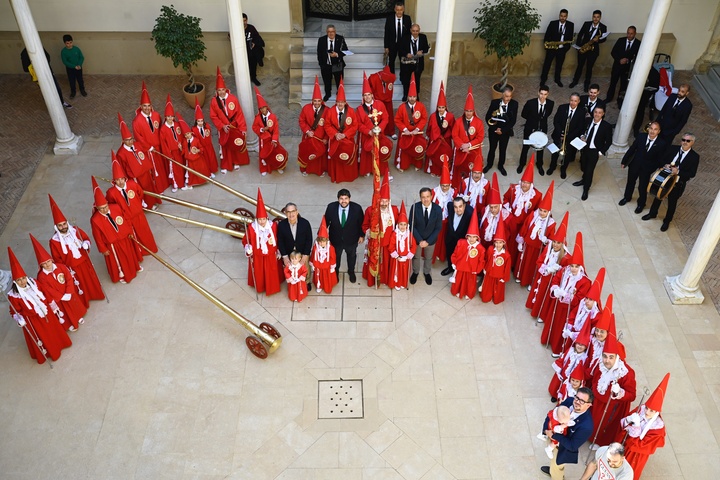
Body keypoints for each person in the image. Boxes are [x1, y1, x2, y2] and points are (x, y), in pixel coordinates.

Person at [7, 247, 72, 364]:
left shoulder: (34, 283)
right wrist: (19, 318)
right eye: (19, 280)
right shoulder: (13, 296)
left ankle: (61, 344)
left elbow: (45, 292)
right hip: (34, 320)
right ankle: (51, 352)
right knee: (44, 336)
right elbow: (14, 311)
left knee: (54, 330)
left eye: (23, 278)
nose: (22, 282)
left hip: (47, 312)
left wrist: (51, 303)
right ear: (15, 282)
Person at [540, 232, 591, 356]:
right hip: (557, 302)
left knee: (560, 327)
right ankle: (548, 339)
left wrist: (567, 296)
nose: (573, 269)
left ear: (580, 267)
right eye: (572, 266)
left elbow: (580, 298)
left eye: (576, 267)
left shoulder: (584, 281)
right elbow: (556, 278)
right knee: (553, 322)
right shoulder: (565, 271)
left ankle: (557, 348)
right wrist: (556, 288)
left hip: (568, 308)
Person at [48, 194, 105, 305]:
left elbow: (86, 238)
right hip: (72, 267)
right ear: (56, 227)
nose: (63, 227)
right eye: (60, 226)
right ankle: (85, 301)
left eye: (64, 224)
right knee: (80, 284)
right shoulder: (54, 241)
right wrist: (65, 270)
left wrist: (86, 244)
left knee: (90, 280)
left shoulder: (75, 230)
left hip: (84, 261)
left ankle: (96, 294)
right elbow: (56, 258)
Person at [89, 177, 142, 284]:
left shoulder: (116, 208)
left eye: (105, 206)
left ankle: (134, 267)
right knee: (120, 260)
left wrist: (129, 232)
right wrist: (103, 249)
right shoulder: (95, 220)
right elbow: (97, 236)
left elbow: (125, 219)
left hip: (124, 237)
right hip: (112, 244)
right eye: (101, 208)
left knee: (129, 254)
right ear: (97, 208)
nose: (105, 209)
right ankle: (123, 274)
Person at [642, 133, 700, 231]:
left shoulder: (694, 157)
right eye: (683, 140)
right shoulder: (673, 148)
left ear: (692, 142)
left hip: (677, 183)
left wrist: (679, 172)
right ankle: (652, 213)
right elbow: (661, 159)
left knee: (672, 203)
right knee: (658, 196)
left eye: (688, 141)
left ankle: (667, 221)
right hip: (664, 179)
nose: (685, 142)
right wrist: (665, 165)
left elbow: (692, 173)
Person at [587, 336, 637, 449]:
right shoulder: (600, 364)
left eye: (611, 357)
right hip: (596, 400)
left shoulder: (626, 373)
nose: (607, 360)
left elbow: (632, 395)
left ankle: (599, 441)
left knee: (603, 424)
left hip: (610, 406)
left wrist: (620, 392)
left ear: (617, 357)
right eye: (604, 356)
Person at [31, 234, 86, 332]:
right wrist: (61, 296)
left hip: (68, 292)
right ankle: (68, 323)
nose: (47, 265)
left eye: (48, 262)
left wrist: (69, 291)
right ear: (41, 265)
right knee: (64, 310)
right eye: (44, 264)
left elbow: (68, 278)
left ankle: (78, 317)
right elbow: (47, 289)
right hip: (58, 298)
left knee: (73, 305)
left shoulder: (60, 267)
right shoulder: (41, 276)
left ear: (51, 260)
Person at [105, 153, 159, 255]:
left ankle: (150, 248)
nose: (120, 182)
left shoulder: (132, 184)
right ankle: (139, 252)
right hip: (127, 218)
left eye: (121, 179)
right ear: (114, 181)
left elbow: (140, 193)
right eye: (117, 180)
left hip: (138, 213)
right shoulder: (111, 193)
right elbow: (112, 206)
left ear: (125, 178)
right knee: (134, 235)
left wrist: (137, 205)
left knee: (144, 231)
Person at [619, 373, 669, 479]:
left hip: (636, 454)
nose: (647, 412)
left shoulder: (658, 429)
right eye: (647, 408)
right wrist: (628, 420)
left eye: (651, 410)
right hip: (624, 444)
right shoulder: (641, 410)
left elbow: (642, 446)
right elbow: (625, 423)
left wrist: (636, 427)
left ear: (657, 411)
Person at [539, 387, 595, 479]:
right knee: (553, 462)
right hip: (551, 435)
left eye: (582, 401)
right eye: (577, 398)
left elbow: (572, 445)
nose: (576, 401)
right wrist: (545, 430)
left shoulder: (587, 426)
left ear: (588, 405)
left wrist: (553, 435)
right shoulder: (569, 401)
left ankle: (556, 475)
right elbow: (552, 414)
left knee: (557, 467)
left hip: (562, 448)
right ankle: (553, 470)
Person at [526, 211, 569, 318]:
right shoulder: (548, 248)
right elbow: (539, 261)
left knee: (545, 299)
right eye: (554, 241)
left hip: (552, 281)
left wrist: (557, 270)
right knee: (538, 294)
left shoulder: (565, 257)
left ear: (562, 244)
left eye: (558, 243)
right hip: (543, 275)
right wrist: (546, 269)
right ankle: (534, 308)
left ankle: (541, 314)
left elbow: (565, 273)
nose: (555, 244)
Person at [618, 121, 667, 214]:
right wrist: (624, 161)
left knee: (642, 187)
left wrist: (652, 168)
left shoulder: (661, 143)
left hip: (646, 169)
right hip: (635, 165)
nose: (652, 131)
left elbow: (660, 159)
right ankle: (627, 197)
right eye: (651, 128)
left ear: (659, 131)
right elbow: (632, 149)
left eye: (655, 129)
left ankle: (641, 203)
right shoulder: (641, 137)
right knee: (630, 182)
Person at [209, 67, 250, 173]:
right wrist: (222, 126)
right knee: (225, 145)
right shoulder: (214, 102)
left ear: (225, 89)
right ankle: (226, 164)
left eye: (222, 90)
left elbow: (239, 114)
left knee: (234, 143)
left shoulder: (233, 99)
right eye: (219, 90)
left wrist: (242, 128)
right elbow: (213, 116)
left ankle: (236, 161)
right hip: (223, 127)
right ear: (216, 91)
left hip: (234, 126)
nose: (221, 92)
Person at [514, 181, 555, 286]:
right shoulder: (533, 215)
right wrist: (520, 240)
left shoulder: (551, 224)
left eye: (545, 211)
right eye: (541, 210)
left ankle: (529, 282)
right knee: (523, 262)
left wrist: (545, 240)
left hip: (538, 249)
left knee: (532, 265)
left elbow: (552, 239)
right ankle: (519, 276)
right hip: (527, 245)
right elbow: (525, 227)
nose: (541, 213)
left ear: (548, 212)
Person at [503, 160, 543, 265]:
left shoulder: (537, 195)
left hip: (524, 225)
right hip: (511, 222)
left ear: (531, 184)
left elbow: (539, 210)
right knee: (509, 243)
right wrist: (508, 210)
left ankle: (514, 264)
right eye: (523, 182)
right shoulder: (513, 189)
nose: (524, 185)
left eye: (527, 183)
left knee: (519, 246)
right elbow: (506, 199)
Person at [116, 113, 160, 210]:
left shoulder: (137, 145)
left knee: (149, 187)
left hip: (145, 173)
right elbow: (122, 168)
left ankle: (153, 202)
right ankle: (146, 206)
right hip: (135, 177)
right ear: (123, 141)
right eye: (127, 140)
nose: (130, 142)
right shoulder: (121, 154)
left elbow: (143, 155)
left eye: (131, 139)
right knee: (141, 191)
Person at [132, 82, 170, 192]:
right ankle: (157, 187)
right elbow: (138, 137)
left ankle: (165, 184)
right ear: (140, 107)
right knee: (154, 169)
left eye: (149, 106)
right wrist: (148, 147)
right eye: (144, 106)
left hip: (159, 147)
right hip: (148, 150)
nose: (147, 108)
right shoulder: (137, 121)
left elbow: (161, 128)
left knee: (162, 167)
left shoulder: (156, 115)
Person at [243, 189, 282, 296]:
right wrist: (248, 247)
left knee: (271, 272)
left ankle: (272, 288)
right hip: (258, 256)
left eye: (263, 219)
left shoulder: (273, 226)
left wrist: (278, 250)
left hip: (271, 255)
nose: (262, 222)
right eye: (259, 219)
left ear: (266, 218)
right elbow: (246, 240)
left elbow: (277, 239)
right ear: (257, 219)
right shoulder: (251, 228)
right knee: (259, 273)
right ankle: (260, 287)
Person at [361, 176, 398, 287]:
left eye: (385, 201)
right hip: (375, 244)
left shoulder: (395, 210)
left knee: (386, 264)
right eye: (381, 200)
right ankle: (373, 280)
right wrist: (371, 233)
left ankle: (385, 279)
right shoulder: (370, 210)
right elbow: (365, 226)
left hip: (388, 245)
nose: (383, 203)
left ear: (389, 201)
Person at [324, 189, 365, 283]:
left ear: (349, 199)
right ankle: (336, 272)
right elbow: (325, 222)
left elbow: (361, 223)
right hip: (336, 239)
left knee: (352, 257)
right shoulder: (331, 207)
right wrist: (322, 236)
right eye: (341, 198)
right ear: (338, 199)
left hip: (351, 239)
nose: (344, 201)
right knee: (336, 257)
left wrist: (361, 235)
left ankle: (351, 272)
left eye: (346, 198)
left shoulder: (357, 208)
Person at [573, 106, 612, 201]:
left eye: (599, 112)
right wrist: (582, 136)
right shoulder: (588, 121)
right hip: (585, 148)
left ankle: (586, 189)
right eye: (595, 112)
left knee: (589, 171)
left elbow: (609, 141)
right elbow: (582, 130)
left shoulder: (606, 126)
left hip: (594, 151)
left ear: (603, 114)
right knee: (583, 166)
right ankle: (583, 180)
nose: (597, 114)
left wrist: (600, 152)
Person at [356, 73, 392, 178]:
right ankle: (367, 170)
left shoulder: (380, 104)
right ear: (363, 97)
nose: (367, 97)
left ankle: (384, 171)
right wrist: (368, 131)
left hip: (379, 133)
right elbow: (358, 124)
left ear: (372, 95)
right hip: (367, 135)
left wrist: (380, 128)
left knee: (381, 152)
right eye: (365, 95)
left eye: (369, 94)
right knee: (367, 154)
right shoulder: (359, 109)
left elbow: (386, 117)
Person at [324, 79, 359, 183]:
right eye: (338, 102)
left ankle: (348, 176)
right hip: (335, 139)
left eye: (342, 102)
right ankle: (337, 176)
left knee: (348, 156)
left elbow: (355, 125)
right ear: (336, 102)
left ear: (345, 102)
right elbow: (327, 125)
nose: (340, 104)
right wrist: (335, 134)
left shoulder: (351, 111)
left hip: (347, 139)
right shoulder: (330, 112)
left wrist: (345, 135)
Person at [451, 86, 485, 190]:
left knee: (472, 168)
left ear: (473, 111)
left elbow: (480, 137)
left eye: (470, 111)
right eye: (466, 111)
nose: (468, 113)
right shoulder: (458, 121)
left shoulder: (479, 123)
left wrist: (469, 145)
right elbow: (454, 135)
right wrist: (462, 145)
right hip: (461, 150)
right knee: (459, 168)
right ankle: (457, 184)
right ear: (464, 111)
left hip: (473, 150)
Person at [549, 320, 590, 402]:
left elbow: (585, 369)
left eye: (582, 345)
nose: (579, 346)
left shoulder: (585, 358)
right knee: (559, 383)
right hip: (565, 371)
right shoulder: (570, 351)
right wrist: (560, 368)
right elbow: (563, 358)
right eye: (578, 344)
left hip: (575, 376)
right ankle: (555, 394)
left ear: (586, 347)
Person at [277, 202, 314, 292]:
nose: (291, 214)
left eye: (293, 211)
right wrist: (285, 257)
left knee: (305, 267)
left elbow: (309, 240)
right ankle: (293, 283)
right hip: (289, 253)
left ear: (297, 212)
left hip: (302, 251)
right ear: (285, 213)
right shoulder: (281, 225)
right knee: (290, 268)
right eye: (288, 212)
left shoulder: (305, 223)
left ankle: (307, 282)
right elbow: (280, 241)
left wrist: (305, 255)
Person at [394, 74, 428, 172]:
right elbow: (397, 120)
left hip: (416, 133)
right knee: (404, 150)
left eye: (414, 96)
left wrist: (417, 129)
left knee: (417, 148)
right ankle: (403, 165)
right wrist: (405, 129)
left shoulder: (421, 106)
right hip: (405, 133)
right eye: (410, 96)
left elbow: (424, 119)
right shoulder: (402, 107)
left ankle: (417, 164)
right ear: (407, 97)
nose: (412, 98)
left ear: (416, 96)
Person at [409, 187, 442, 285]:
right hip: (417, 239)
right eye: (423, 197)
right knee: (416, 257)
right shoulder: (414, 207)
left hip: (431, 240)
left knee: (428, 257)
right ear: (420, 198)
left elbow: (438, 227)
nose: (426, 199)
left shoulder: (437, 209)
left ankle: (427, 272)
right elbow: (411, 225)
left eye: (428, 196)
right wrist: (420, 240)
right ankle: (415, 272)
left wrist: (428, 241)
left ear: (432, 196)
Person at [518, 86, 554, 175]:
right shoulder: (530, 103)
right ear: (538, 93)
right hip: (530, 128)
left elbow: (547, 114)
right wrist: (532, 120)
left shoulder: (550, 103)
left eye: (545, 94)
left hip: (542, 128)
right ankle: (522, 164)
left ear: (547, 94)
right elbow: (524, 114)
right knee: (525, 147)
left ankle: (539, 165)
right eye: (541, 94)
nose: (542, 96)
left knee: (540, 147)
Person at [547, 93, 584, 179]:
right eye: (571, 100)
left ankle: (563, 169)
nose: (573, 103)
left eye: (575, 101)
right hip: (559, 135)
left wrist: (568, 136)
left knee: (568, 155)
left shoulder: (581, 112)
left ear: (578, 101)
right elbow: (556, 121)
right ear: (569, 100)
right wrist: (561, 133)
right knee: (555, 152)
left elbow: (580, 127)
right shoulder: (562, 107)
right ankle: (552, 167)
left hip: (571, 138)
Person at [252, 87, 288, 176]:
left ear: (267, 108)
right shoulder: (257, 118)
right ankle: (264, 168)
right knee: (264, 154)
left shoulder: (273, 117)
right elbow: (254, 127)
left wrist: (274, 140)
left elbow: (276, 129)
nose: (263, 110)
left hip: (273, 139)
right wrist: (261, 130)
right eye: (261, 108)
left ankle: (278, 166)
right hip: (264, 140)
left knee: (275, 153)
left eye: (264, 108)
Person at [483, 86, 517, 176]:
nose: (508, 98)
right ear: (502, 95)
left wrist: (503, 130)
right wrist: (495, 129)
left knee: (503, 150)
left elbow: (513, 121)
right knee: (492, 149)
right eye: (506, 96)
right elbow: (488, 117)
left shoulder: (514, 104)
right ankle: (489, 164)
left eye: (510, 96)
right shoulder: (494, 103)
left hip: (505, 132)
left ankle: (501, 166)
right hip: (494, 132)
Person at [298, 77, 329, 177]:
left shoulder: (327, 110)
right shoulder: (306, 108)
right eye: (315, 101)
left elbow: (329, 125)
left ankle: (320, 170)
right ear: (312, 100)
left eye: (318, 101)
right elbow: (301, 121)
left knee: (320, 156)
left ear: (321, 101)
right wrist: (307, 131)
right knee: (308, 153)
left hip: (320, 138)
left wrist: (326, 138)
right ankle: (306, 169)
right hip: (309, 136)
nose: (316, 103)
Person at [570, 10, 607, 92]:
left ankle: (587, 84)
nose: (595, 19)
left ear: (600, 18)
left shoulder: (603, 27)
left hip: (593, 50)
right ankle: (575, 81)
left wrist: (598, 40)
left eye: (597, 17)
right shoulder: (586, 24)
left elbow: (604, 39)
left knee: (589, 68)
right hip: (584, 47)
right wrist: (579, 46)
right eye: (594, 17)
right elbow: (580, 34)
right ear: (592, 17)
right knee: (580, 65)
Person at [449, 213, 485, 300]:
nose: (471, 239)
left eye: (474, 237)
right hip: (461, 267)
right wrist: (454, 262)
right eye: (470, 236)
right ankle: (457, 291)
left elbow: (481, 261)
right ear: (467, 236)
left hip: (471, 270)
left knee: (470, 283)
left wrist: (477, 269)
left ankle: (468, 293)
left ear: (477, 238)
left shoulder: (480, 248)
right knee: (459, 281)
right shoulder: (461, 243)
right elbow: (455, 253)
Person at [425, 82, 455, 177]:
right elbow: (429, 127)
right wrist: (429, 136)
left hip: (445, 140)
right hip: (435, 139)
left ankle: (444, 170)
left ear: (445, 107)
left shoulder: (450, 116)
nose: (441, 109)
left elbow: (453, 128)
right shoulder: (433, 116)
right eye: (439, 107)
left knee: (444, 155)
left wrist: (448, 134)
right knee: (434, 155)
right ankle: (433, 170)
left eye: (442, 107)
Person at [159, 95, 187, 192]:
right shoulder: (163, 129)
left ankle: (183, 182)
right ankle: (176, 184)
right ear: (165, 117)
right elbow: (163, 143)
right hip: (171, 153)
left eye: (171, 116)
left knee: (182, 167)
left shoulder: (177, 125)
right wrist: (168, 154)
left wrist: (182, 146)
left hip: (180, 150)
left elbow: (182, 136)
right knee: (175, 169)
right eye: (168, 116)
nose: (170, 118)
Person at [540, 9, 574, 87]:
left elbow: (570, 38)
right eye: (561, 16)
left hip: (562, 49)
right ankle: (543, 79)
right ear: (559, 15)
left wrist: (565, 49)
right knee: (547, 64)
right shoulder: (553, 23)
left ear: (567, 16)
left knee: (559, 65)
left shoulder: (570, 25)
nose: (562, 18)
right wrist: (548, 47)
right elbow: (547, 36)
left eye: (564, 16)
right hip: (552, 48)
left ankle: (557, 79)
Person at [606, 27, 641, 103]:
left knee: (623, 85)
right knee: (613, 83)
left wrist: (628, 60)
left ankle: (620, 100)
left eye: (631, 33)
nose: (629, 35)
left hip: (627, 68)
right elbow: (613, 52)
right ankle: (609, 98)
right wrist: (619, 60)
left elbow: (639, 57)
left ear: (635, 33)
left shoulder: (638, 43)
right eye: (628, 33)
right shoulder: (621, 40)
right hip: (617, 66)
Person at [480, 219, 511, 304]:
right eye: (496, 242)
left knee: (498, 290)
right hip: (489, 273)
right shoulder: (490, 249)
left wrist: (504, 278)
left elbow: (507, 268)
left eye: (500, 243)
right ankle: (486, 296)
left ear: (503, 243)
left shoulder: (506, 255)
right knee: (487, 291)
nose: (498, 245)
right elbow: (486, 259)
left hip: (499, 275)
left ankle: (497, 298)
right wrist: (485, 268)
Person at [442, 196, 474, 277]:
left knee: (460, 257)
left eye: (460, 206)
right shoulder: (449, 206)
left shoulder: (470, 213)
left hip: (462, 240)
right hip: (450, 237)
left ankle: (459, 271)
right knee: (449, 253)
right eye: (455, 207)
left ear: (464, 205)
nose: (458, 209)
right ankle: (450, 267)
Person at [387, 203, 416, 290]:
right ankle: (397, 283)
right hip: (397, 258)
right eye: (401, 224)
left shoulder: (409, 234)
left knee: (404, 272)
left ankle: (403, 283)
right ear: (397, 225)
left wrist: (409, 255)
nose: (402, 227)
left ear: (407, 225)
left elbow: (413, 246)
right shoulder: (395, 234)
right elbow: (391, 246)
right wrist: (396, 256)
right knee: (397, 271)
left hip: (406, 258)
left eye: (404, 225)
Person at [431, 164, 455, 265]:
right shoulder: (433, 192)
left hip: (447, 221)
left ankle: (441, 255)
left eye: (447, 186)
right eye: (443, 186)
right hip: (436, 221)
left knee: (444, 239)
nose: (445, 188)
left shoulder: (454, 193)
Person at [478, 173, 510, 250]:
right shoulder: (484, 211)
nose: (493, 210)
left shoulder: (508, 218)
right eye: (491, 207)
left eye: (495, 207)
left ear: (500, 205)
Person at [398, 24, 429, 102]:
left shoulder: (423, 37)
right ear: (411, 30)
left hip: (418, 63)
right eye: (413, 31)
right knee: (406, 80)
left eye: (417, 31)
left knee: (417, 80)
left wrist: (421, 51)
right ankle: (405, 94)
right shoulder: (405, 38)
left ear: (419, 30)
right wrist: (406, 54)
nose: (415, 33)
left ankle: (416, 95)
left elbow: (426, 48)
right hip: (407, 63)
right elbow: (400, 49)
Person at [317, 25, 348, 102]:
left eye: (332, 32)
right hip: (326, 65)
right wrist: (321, 64)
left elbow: (345, 51)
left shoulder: (340, 38)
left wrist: (337, 54)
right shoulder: (321, 40)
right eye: (329, 32)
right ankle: (328, 94)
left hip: (337, 64)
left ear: (335, 31)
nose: (331, 33)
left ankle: (340, 93)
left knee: (339, 80)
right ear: (327, 32)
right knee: (326, 81)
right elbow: (319, 53)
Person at [178, 114, 210, 187]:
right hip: (190, 161)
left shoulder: (196, 140)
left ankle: (203, 180)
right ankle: (193, 183)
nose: (187, 136)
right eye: (185, 135)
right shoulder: (184, 141)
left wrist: (198, 150)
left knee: (200, 170)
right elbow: (184, 150)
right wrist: (180, 149)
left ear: (191, 133)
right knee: (192, 173)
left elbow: (202, 148)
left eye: (188, 133)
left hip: (198, 159)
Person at [368, 66, 397, 138]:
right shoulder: (373, 78)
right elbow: (368, 89)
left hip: (387, 99)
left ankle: (391, 132)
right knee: (377, 116)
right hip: (377, 100)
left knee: (389, 115)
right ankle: (378, 131)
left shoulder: (391, 78)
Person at [192, 99, 219, 176]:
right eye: (198, 121)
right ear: (196, 121)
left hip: (208, 146)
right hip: (201, 147)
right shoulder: (194, 129)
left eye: (201, 121)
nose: (200, 122)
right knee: (205, 160)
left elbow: (208, 135)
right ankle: (208, 172)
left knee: (211, 158)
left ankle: (213, 170)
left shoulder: (207, 126)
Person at [311, 218, 338, 294]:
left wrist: (332, 267)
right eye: (320, 242)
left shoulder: (331, 248)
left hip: (326, 267)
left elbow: (333, 257)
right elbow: (313, 255)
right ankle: (319, 285)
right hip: (318, 267)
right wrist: (312, 263)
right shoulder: (316, 247)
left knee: (327, 278)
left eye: (323, 242)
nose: (321, 243)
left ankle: (327, 287)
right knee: (319, 277)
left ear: (327, 241)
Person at [383, 1, 412, 74]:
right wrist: (386, 47)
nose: (399, 12)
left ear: (403, 10)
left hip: (403, 45)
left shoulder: (407, 19)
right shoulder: (390, 19)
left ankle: (403, 77)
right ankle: (391, 76)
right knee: (391, 61)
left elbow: (409, 33)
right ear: (395, 10)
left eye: (401, 10)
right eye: (397, 10)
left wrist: (409, 46)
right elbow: (387, 33)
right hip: (393, 44)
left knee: (403, 61)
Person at [60, 34, 87, 98]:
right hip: (70, 69)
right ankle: (73, 92)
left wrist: (79, 65)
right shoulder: (63, 52)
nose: (69, 44)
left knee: (80, 79)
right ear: (64, 43)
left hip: (79, 67)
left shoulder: (77, 49)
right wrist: (74, 66)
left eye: (70, 42)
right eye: (67, 43)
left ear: (72, 41)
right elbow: (65, 61)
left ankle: (82, 90)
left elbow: (81, 57)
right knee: (72, 80)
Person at [242, 13, 265, 87]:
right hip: (242, 51)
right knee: (244, 66)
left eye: (245, 20)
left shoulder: (251, 28)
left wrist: (254, 43)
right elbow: (230, 37)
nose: (243, 23)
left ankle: (253, 78)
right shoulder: (236, 29)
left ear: (247, 20)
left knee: (253, 63)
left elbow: (257, 37)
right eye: (242, 21)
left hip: (251, 51)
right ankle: (245, 79)